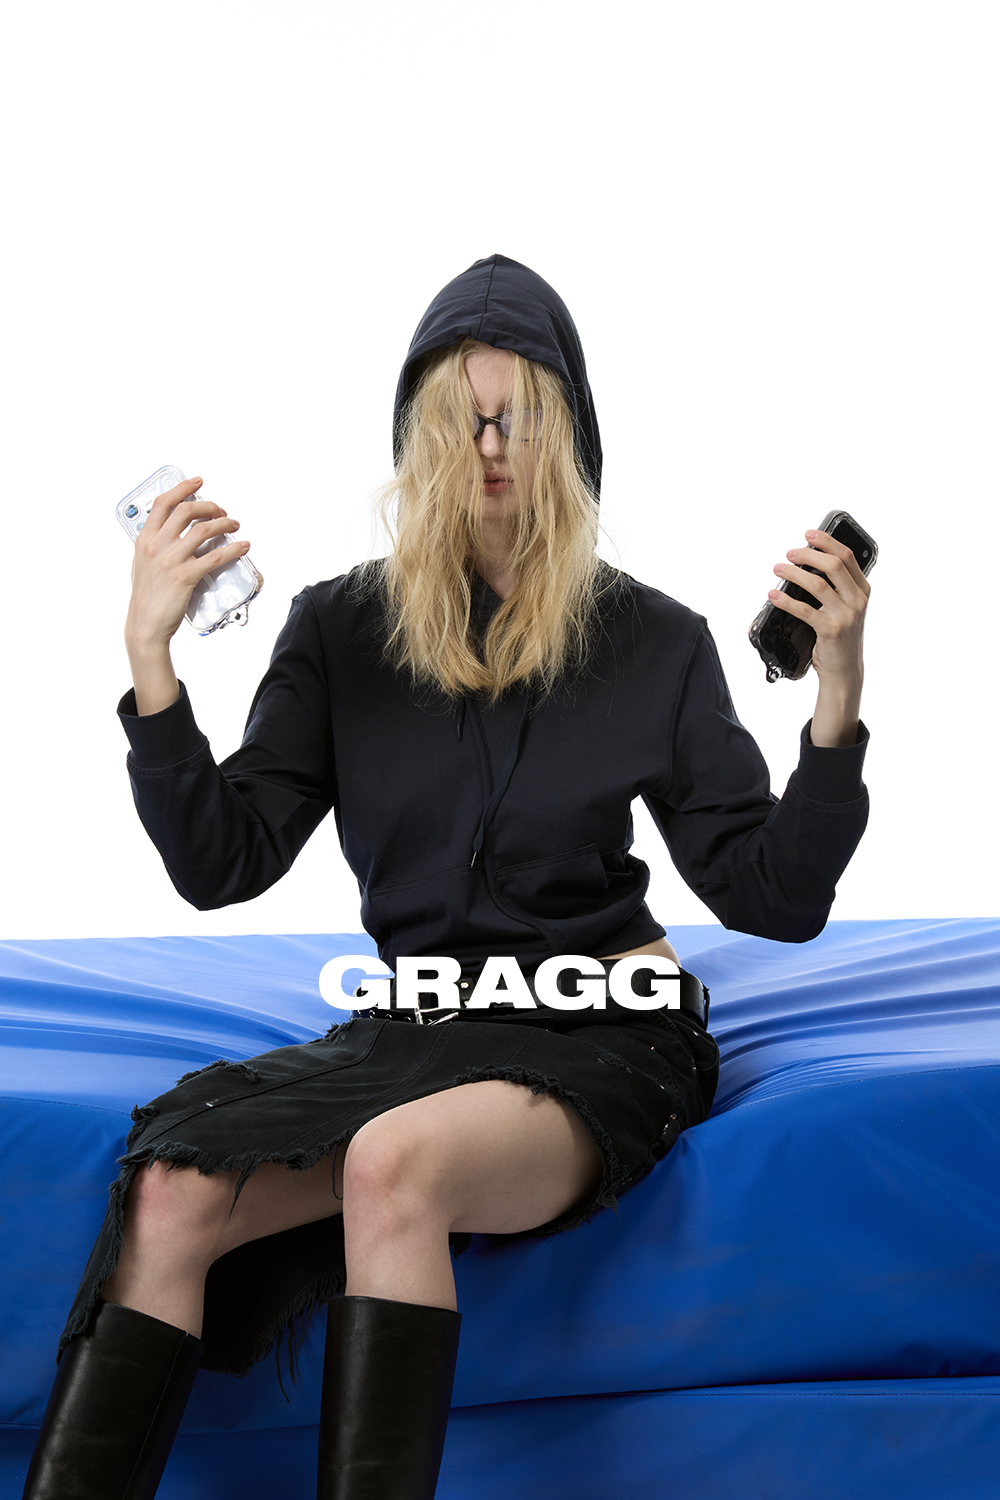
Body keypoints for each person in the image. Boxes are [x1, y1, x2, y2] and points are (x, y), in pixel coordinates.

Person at [23, 254, 871, 1500]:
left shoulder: (654, 640)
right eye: (459, 420)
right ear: (416, 437)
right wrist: (153, 656)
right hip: (415, 1028)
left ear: (565, 435)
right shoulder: (338, 629)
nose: (488, 448)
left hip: (601, 1030)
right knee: (166, 1191)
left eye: (516, 418)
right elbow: (221, 864)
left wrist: (835, 701)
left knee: (393, 1163)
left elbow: (774, 898)